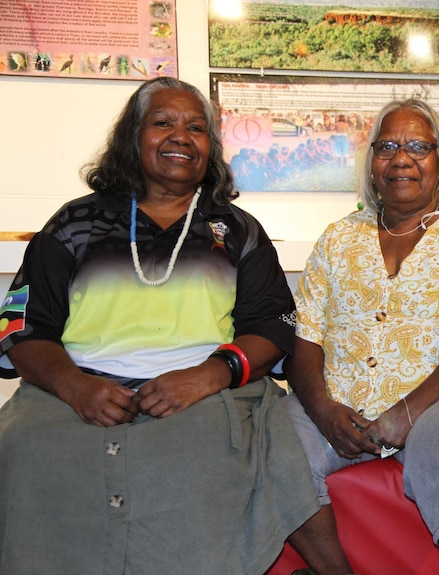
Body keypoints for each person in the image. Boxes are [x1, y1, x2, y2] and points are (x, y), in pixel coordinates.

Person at [0, 77, 337, 575]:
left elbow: (274, 324)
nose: (181, 136)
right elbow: (18, 326)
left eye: (196, 128)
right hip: (78, 386)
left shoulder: (236, 229)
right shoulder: (73, 223)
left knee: (214, 453)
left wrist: (208, 376)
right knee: (24, 446)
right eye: (163, 123)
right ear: (132, 139)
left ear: (210, 149)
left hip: (204, 390)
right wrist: (75, 387)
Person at [283, 98, 439, 575]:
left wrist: (406, 413)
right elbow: (304, 332)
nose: (402, 158)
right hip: (346, 396)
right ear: (372, 160)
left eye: (419, 146)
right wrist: (324, 410)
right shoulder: (339, 238)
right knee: (276, 442)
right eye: (388, 147)